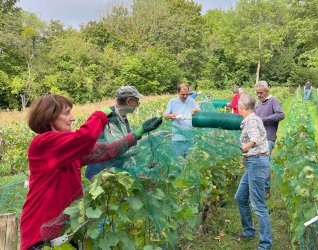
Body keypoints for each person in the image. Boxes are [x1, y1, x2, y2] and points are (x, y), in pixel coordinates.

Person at [20, 94, 162, 250]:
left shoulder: (70, 150)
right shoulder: (43, 143)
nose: (72, 118)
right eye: (67, 113)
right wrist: (100, 115)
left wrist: (137, 133)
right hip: (39, 236)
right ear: (49, 116)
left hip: (64, 232)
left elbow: (108, 151)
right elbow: (85, 137)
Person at [234, 93, 272, 250]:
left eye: (238, 107)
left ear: (242, 107)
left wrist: (247, 146)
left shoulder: (252, 120)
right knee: (240, 197)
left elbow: (255, 138)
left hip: (256, 163)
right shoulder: (252, 119)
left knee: (258, 206)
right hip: (253, 163)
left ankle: (265, 245)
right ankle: (249, 231)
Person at [85, 86, 144, 180]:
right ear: (129, 101)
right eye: (137, 101)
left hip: (112, 171)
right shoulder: (108, 118)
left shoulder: (122, 117)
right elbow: (118, 149)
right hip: (101, 173)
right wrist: (140, 140)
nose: (137, 105)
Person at [255, 81, 284, 198]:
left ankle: (266, 189)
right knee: (257, 163)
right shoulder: (257, 104)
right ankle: (258, 188)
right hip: (257, 138)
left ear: (267, 91)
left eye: (261, 93)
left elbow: (280, 115)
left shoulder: (273, 101)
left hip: (269, 137)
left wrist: (264, 119)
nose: (259, 95)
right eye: (257, 93)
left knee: (264, 162)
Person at [165, 83, 200, 159]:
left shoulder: (191, 100)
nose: (185, 96)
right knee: (178, 161)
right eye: (183, 94)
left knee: (189, 162)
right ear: (178, 92)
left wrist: (195, 110)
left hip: (189, 137)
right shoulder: (172, 101)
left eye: (187, 94)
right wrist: (174, 115)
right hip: (177, 137)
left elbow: (199, 111)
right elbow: (166, 115)